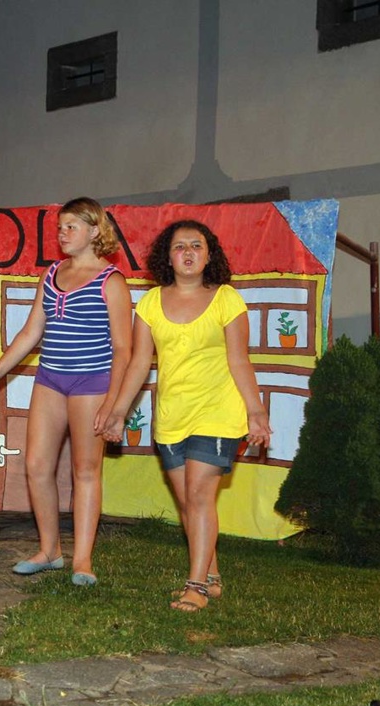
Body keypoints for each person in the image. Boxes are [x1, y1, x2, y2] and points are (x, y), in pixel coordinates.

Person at [96, 219, 272, 612]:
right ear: (168, 257)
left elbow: (239, 360)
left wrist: (256, 411)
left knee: (198, 495)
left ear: (209, 255)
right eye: (179, 246)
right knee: (188, 504)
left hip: (218, 411)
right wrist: (118, 412)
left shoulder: (227, 299)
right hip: (172, 417)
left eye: (196, 245)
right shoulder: (150, 303)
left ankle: (196, 587)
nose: (188, 252)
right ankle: (213, 576)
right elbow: (139, 363)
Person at [0, 197, 132, 586]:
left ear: (94, 230)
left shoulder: (112, 281)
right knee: (37, 465)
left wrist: (112, 403)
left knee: (85, 471)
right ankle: (50, 551)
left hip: (91, 382)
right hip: (51, 379)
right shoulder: (52, 273)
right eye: (60, 227)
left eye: (72, 226)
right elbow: (31, 332)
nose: (63, 233)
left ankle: (82, 561)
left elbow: (124, 349)